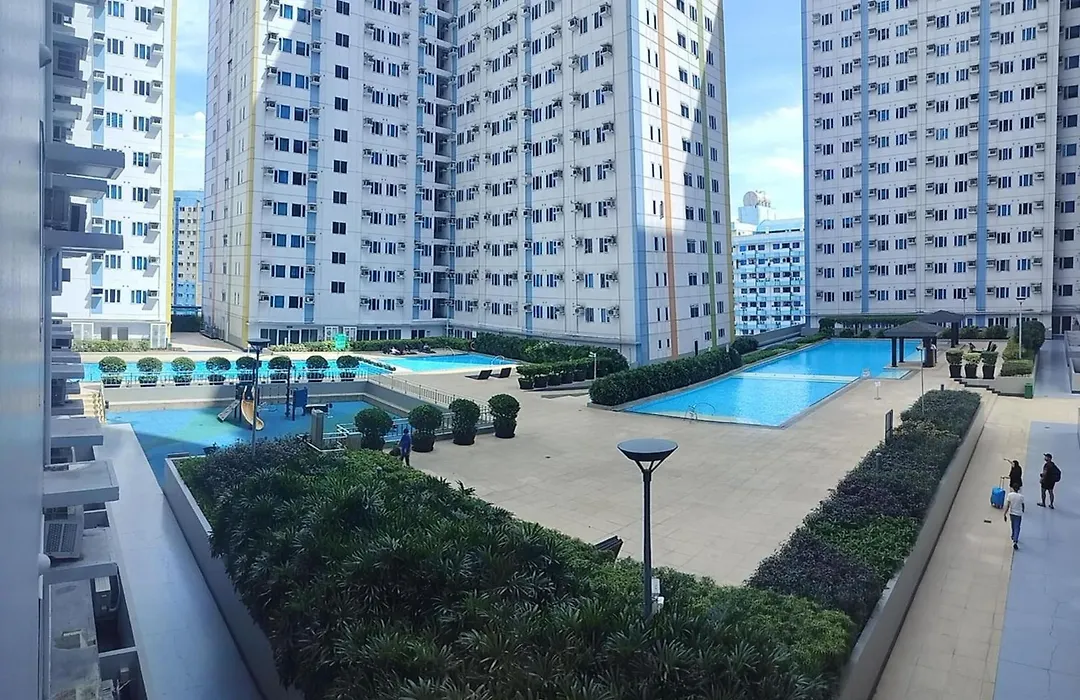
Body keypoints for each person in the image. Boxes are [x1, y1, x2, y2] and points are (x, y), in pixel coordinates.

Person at [1004, 483, 1025, 550]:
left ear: (1013, 488)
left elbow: (1008, 505)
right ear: (1018, 489)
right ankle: (1015, 540)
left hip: (1012, 513)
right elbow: (1023, 505)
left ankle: (1013, 535)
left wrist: (1005, 513)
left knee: (1013, 525)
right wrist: (1023, 510)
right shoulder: (1021, 497)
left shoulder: (1010, 495)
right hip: (1018, 514)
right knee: (1017, 527)